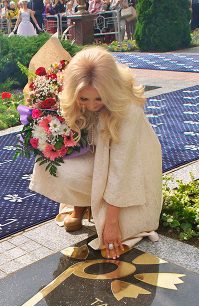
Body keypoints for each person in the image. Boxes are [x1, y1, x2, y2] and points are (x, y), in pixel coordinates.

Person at [29, 47, 163, 260]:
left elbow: (122, 169)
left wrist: (111, 223)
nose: (91, 106)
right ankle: (80, 207)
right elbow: (74, 143)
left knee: (120, 226)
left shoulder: (127, 107)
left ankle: (99, 209)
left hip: (132, 165)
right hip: (97, 157)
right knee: (54, 164)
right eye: (84, 99)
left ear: (110, 90)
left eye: (99, 99)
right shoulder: (75, 97)